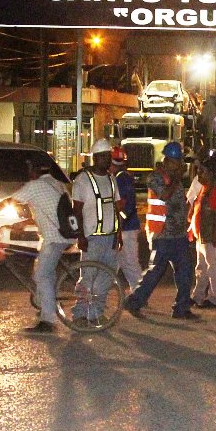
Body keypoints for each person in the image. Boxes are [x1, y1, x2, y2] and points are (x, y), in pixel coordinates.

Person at [0, 158, 71, 334]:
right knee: (43, 272)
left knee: (41, 275)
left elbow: (8, 202)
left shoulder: (35, 186)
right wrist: (23, 223)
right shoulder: (57, 183)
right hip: (64, 234)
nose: (28, 172)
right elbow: (48, 210)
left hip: (54, 237)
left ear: (34, 170)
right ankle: (47, 302)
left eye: (29, 168)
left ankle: (48, 321)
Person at [124, 141, 197, 320]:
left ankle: (181, 307)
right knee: (155, 271)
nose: (178, 166)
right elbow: (165, 195)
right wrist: (177, 178)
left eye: (179, 162)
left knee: (185, 271)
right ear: (166, 160)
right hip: (162, 233)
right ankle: (134, 301)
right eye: (176, 162)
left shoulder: (174, 179)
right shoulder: (155, 178)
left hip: (178, 234)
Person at [70, 138, 122, 326]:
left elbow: (116, 209)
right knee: (88, 277)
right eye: (104, 156)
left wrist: (118, 234)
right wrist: (80, 236)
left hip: (110, 237)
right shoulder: (82, 180)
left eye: (109, 156)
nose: (108, 160)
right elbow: (76, 211)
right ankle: (79, 315)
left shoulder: (111, 179)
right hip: (91, 238)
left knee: (107, 277)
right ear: (95, 157)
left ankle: (96, 313)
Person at [189, 158, 216, 309]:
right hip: (203, 236)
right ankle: (197, 296)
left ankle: (213, 298)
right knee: (202, 268)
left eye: (202, 171)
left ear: (210, 173)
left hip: (210, 236)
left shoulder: (214, 190)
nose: (199, 174)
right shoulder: (205, 188)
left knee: (213, 268)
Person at [111, 146, 143, 290]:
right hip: (126, 227)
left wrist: (119, 225)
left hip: (126, 229)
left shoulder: (120, 179)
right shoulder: (124, 177)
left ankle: (139, 294)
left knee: (130, 263)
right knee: (120, 263)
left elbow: (122, 205)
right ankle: (137, 293)